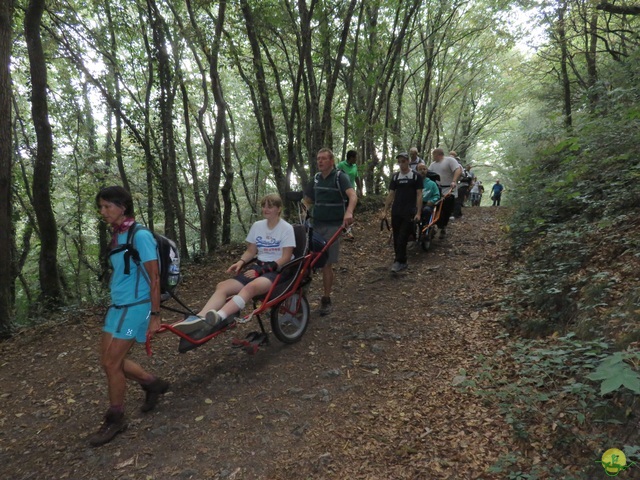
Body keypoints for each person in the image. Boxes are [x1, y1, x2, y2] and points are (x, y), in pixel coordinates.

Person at [91, 186, 170, 447]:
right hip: (118, 307)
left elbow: (154, 276)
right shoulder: (118, 235)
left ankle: (116, 417)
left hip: (137, 307)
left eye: (107, 206)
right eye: (100, 207)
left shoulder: (140, 235)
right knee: (108, 361)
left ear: (122, 207)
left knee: (113, 363)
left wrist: (155, 314)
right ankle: (152, 383)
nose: (103, 212)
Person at [173, 194, 296, 339]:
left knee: (250, 288)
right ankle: (199, 318)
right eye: (264, 206)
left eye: (270, 206)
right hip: (258, 267)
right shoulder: (257, 226)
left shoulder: (286, 228)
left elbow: (286, 257)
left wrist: (263, 270)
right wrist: (241, 262)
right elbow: (251, 251)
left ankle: (219, 317)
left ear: (279, 209)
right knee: (223, 286)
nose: (266, 209)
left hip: (277, 270)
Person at [303, 148, 357, 316]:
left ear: (331, 161)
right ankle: (299, 299)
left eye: (324, 159)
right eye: (318, 159)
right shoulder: (316, 179)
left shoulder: (340, 177)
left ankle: (326, 298)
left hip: (333, 226)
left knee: (326, 263)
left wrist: (349, 212)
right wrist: (304, 209)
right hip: (314, 225)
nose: (320, 161)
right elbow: (308, 199)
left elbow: (353, 196)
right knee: (305, 262)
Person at [382, 153, 423, 273]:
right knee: (396, 235)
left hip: (409, 211)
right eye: (399, 161)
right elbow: (391, 194)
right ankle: (401, 260)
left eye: (403, 161)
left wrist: (418, 212)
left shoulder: (416, 176)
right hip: (396, 210)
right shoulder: (395, 177)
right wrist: (385, 210)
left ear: (408, 161)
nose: (401, 164)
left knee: (403, 236)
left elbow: (419, 194)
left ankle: (399, 261)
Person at [429, 148, 462, 238]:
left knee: (446, 208)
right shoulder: (432, 165)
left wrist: (454, 181)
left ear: (438, 154)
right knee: (437, 207)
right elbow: (428, 174)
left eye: (434, 155)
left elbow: (458, 170)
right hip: (437, 189)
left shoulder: (450, 160)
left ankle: (443, 226)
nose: (433, 157)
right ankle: (436, 225)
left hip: (449, 188)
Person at [337, 150, 361, 240]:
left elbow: (356, 177)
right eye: (356, 157)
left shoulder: (355, 166)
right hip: (341, 192)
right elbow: (336, 176)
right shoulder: (341, 165)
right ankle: (342, 229)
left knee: (350, 211)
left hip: (351, 192)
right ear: (351, 157)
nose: (356, 159)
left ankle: (348, 231)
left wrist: (360, 189)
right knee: (342, 210)